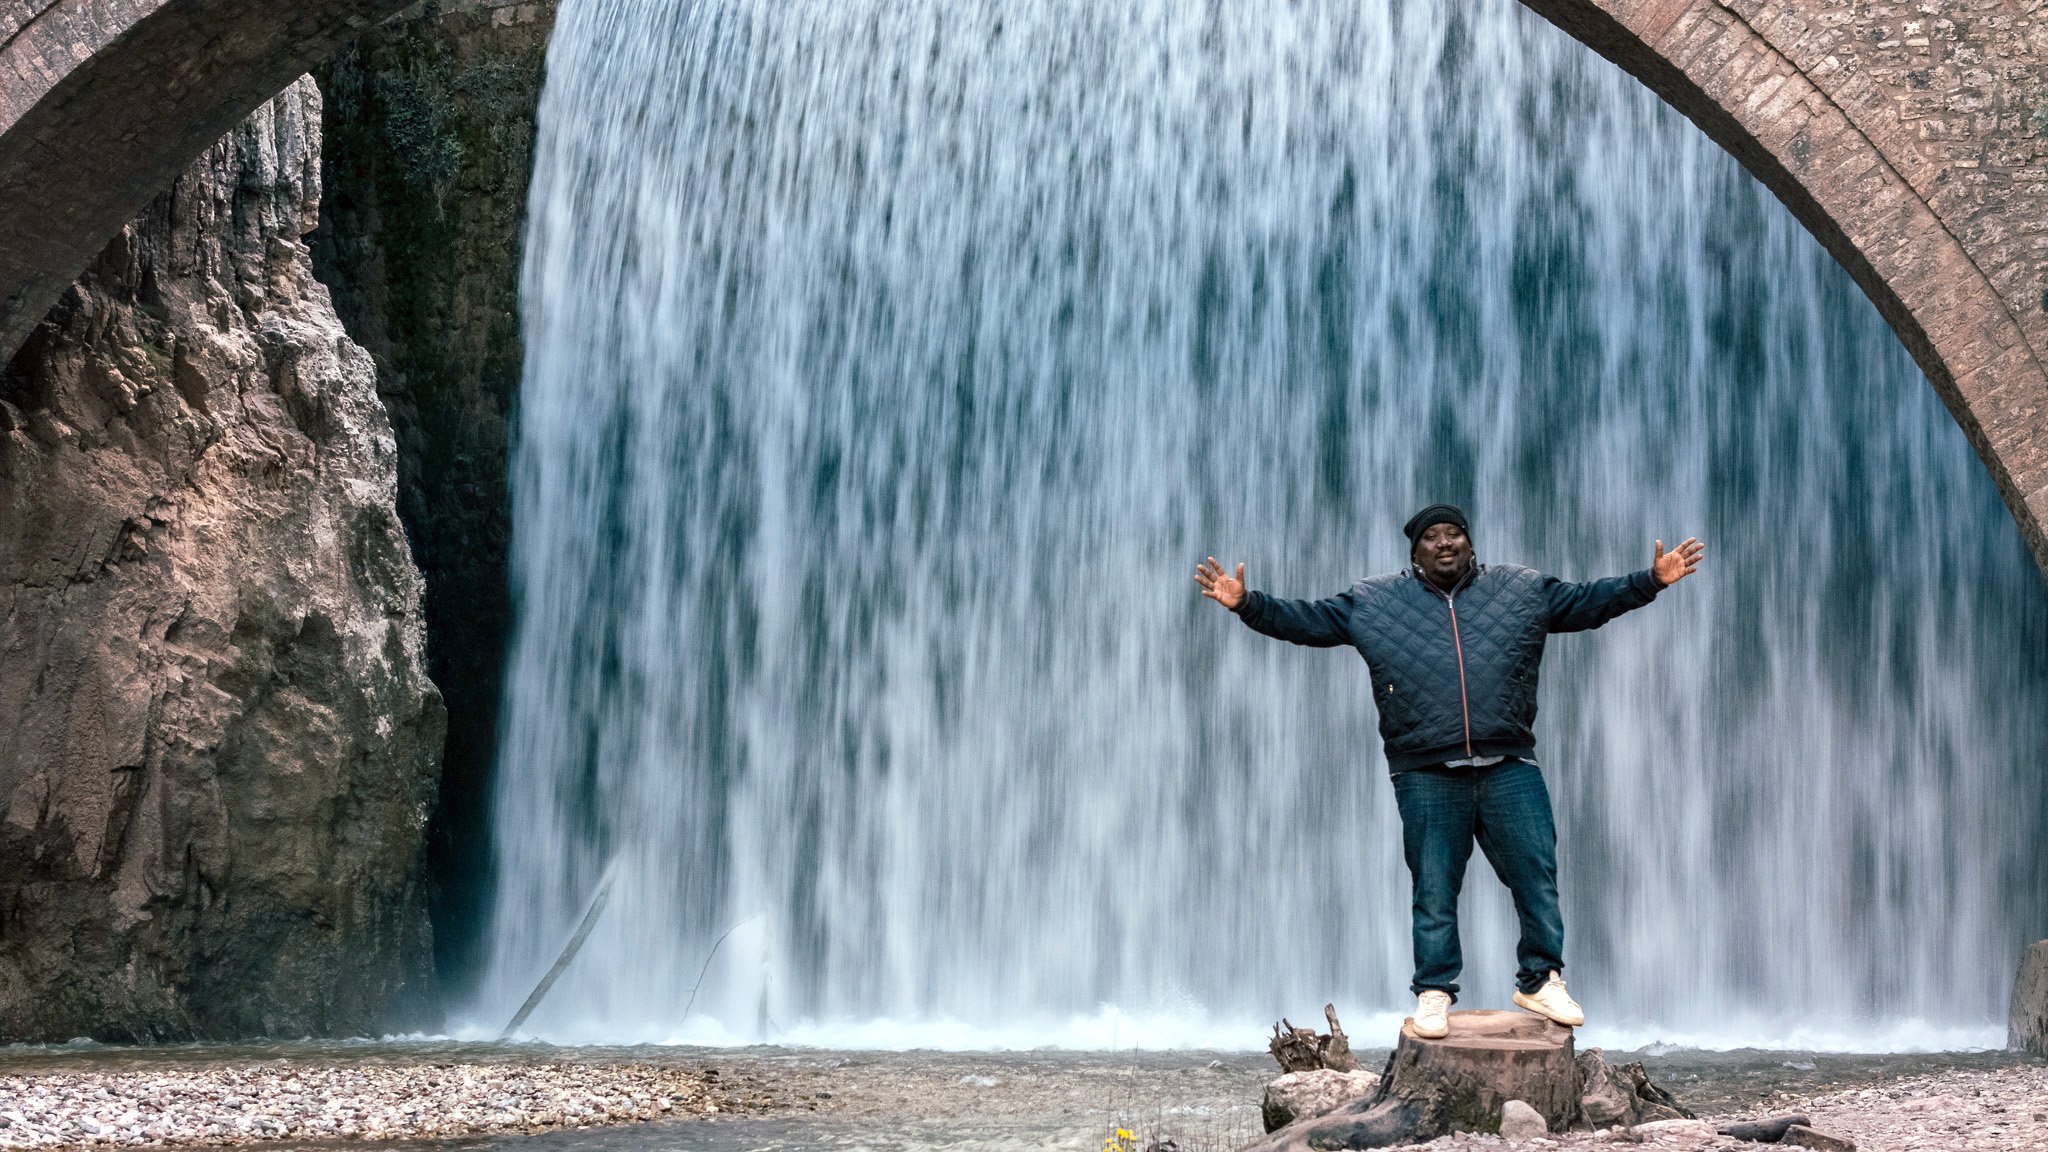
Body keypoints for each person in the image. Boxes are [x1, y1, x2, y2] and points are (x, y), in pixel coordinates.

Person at [1193, 504, 1702, 1039]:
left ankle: (1540, 979)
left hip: (1509, 761)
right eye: (1431, 537)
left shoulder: (1522, 589)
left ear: (1469, 542)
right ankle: (1434, 992)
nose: (1444, 543)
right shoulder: (1373, 601)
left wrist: (1651, 581)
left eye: (1453, 533)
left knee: (1536, 876)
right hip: (1425, 769)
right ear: (1414, 552)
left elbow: (1591, 601)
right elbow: (1306, 621)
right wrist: (1246, 604)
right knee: (1434, 887)